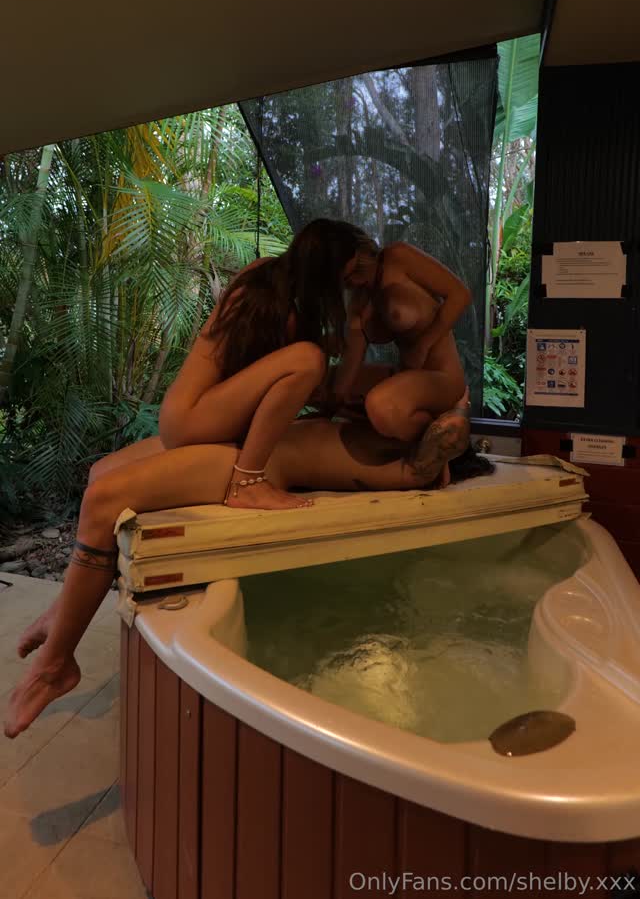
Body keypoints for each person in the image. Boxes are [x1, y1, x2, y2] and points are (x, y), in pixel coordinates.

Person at [5, 393, 488, 739]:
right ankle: (63, 609)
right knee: (101, 473)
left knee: (105, 499)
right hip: (249, 443)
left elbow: (448, 432)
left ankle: (58, 664)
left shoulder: (416, 468)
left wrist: (457, 401)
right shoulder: (386, 424)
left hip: (256, 467)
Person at [157, 217, 380, 511]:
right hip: (190, 417)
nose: (349, 287)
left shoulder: (268, 274)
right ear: (325, 274)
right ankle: (246, 482)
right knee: (308, 358)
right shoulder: (268, 299)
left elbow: (258, 378)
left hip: (188, 413)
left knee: (312, 358)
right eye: (346, 277)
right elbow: (266, 375)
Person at [321, 229, 472, 480]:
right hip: (405, 378)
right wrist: (328, 409)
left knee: (380, 406)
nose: (350, 280)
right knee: (318, 382)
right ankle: (423, 435)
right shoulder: (358, 300)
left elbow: (460, 294)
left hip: (442, 377)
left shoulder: (398, 257)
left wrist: (424, 344)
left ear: (359, 254)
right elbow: (350, 365)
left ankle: (443, 437)